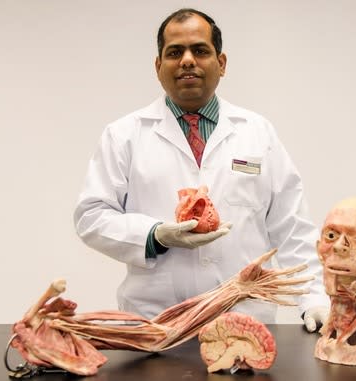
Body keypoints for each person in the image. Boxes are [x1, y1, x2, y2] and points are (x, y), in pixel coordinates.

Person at [73, 8, 329, 331]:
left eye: (200, 50)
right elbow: (90, 216)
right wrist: (154, 235)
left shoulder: (257, 132)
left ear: (221, 63)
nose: (188, 60)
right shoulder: (124, 135)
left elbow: (292, 225)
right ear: (158, 67)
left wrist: (314, 299)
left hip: (244, 326)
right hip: (155, 328)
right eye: (175, 52)